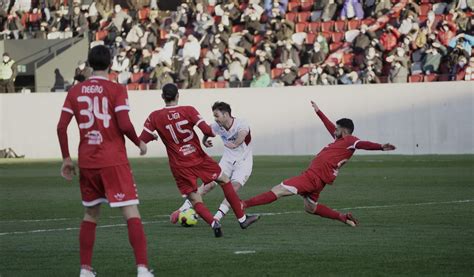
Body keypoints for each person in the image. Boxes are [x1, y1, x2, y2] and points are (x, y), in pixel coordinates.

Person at [56, 45, 154, 277]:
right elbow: (124, 123)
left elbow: (61, 127)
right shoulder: (116, 89)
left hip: (88, 161)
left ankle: (85, 270)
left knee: (91, 214)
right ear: (110, 64)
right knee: (131, 211)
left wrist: (66, 158)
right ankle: (142, 269)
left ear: (89, 65)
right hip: (113, 160)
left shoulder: (75, 91)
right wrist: (139, 142)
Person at [243, 101, 396, 227]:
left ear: (343, 130)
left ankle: (243, 204)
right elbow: (329, 126)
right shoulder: (340, 140)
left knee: (279, 190)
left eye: (337, 129)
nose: (333, 130)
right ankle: (342, 217)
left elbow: (363, 144)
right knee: (311, 208)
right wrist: (319, 112)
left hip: (312, 177)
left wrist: (380, 147)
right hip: (319, 181)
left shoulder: (350, 140)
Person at [138, 84, 259, 238]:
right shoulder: (188, 110)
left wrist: (152, 138)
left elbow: (142, 139)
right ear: (178, 96)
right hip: (198, 158)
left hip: (179, 164)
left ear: (162, 97)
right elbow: (208, 131)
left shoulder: (154, 116)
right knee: (224, 181)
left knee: (195, 198)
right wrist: (204, 132)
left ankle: (214, 223)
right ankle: (241, 219)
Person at [170, 101, 253, 224]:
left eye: (217, 115)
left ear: (225, 115)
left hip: (244, 162)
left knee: (233, 189)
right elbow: (207, 131)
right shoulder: (217, 126)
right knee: (209, 184)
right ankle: (182, 209)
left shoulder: (241, 123)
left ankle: (217, 218)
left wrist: (235, 144)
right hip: (227, 160)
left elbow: (242, 135)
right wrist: (204, 141)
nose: (215, 118)